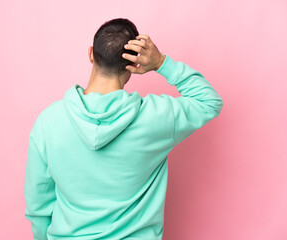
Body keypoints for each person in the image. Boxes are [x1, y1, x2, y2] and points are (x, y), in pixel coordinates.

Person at [24, 18, 223, 240]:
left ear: (91, 54)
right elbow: (209, 101)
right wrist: (160, 63)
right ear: (135, 64)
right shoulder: (157, 117)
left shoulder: (48, 122)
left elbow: (38, 207)